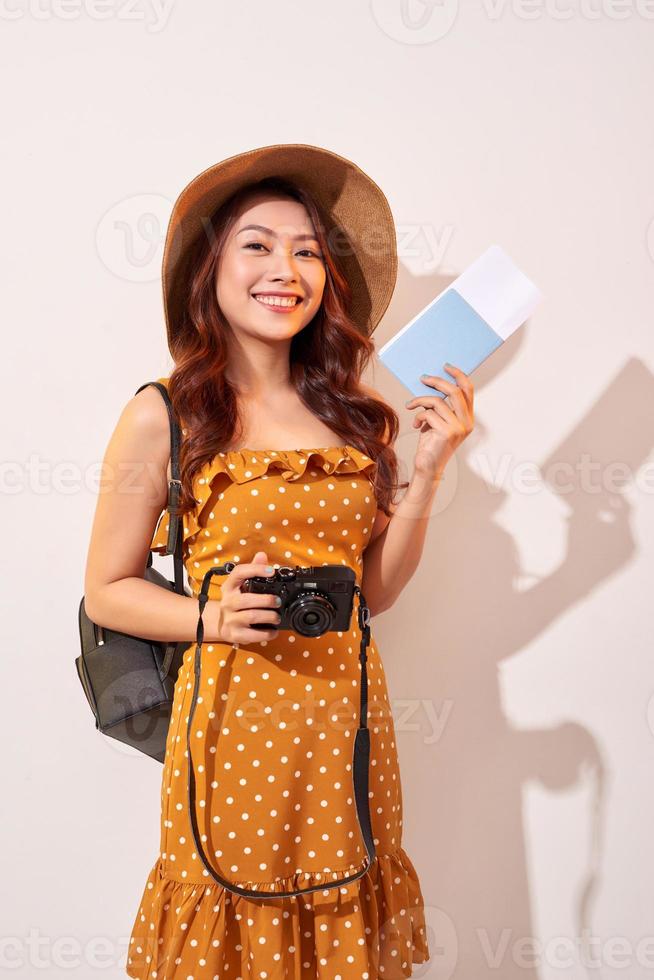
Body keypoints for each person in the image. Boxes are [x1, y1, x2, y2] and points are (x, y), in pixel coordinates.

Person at [83, 144, 474, 979]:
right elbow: (106, 589)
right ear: (211, 270)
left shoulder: (355, 416)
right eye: (256, 245)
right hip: (229, 724)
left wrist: (432, 467)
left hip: (346, 722)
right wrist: (209, 618)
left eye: (305, 251)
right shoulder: (165, 414)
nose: (285, 269)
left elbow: (375, 591)